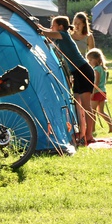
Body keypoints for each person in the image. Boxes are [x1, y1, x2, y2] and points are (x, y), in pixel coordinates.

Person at [38, 16, 96, 145]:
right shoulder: (59, 36)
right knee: (77, 106)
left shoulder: (63, 34)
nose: (51, 27)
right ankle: (82, 134)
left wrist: (35, 25)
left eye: (53, 25)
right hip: (76, 73)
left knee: (86, 106)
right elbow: (45, 33)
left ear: (60, 27)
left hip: (83, 71)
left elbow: (44, 32)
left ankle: (89, 135)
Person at [86, 48, 112, 134]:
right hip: (103, 91)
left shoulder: (96, 69)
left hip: (97, 92)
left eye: (91, 60)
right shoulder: (102, 69)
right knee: (101, 111)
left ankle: (92, 129)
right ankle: (111, 125)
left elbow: (96, 82)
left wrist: (92, 92)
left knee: (92, 111)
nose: (89, 62)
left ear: (97, 59)